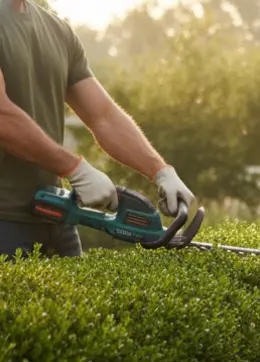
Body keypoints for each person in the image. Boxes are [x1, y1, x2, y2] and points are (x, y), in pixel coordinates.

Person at [0, 0, 194, 259]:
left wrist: (161, 172)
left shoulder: (57, 30)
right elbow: (3, 118)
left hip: (53, 217)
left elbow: (103, 116)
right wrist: (75, 169)